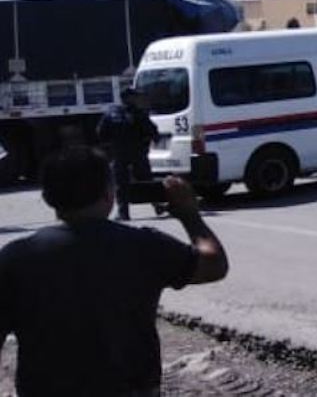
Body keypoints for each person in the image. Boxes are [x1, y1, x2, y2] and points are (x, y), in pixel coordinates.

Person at [0, 146, 228, 396]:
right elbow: (214, 264)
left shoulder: (15, 258)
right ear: (109, 195)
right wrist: (189, 215)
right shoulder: (145, 246)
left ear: (47, 198)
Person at [96, 87, 163, 221]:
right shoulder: (139, 113)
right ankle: (157, 206)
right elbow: (153, 131)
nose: (137, 99)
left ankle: (124, 213)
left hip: (119, 153)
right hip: (138, 153)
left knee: (121, 183)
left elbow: (101, 132)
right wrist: (152, 140)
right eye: (135, 96)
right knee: (145, 180)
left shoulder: (111, 112)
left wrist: (109, 145)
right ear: (129, 98)